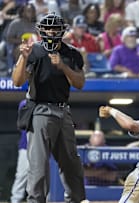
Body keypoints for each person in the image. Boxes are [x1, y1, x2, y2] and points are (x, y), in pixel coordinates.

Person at [11, 13, 86, 202]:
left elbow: (79, 83)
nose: (51, 31)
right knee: (39, 166)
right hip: (40, 110)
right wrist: (23, 57)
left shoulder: (71, 53)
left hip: (63, 111)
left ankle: (76, 199)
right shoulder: (33, 51)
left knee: (71, 163)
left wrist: (63, 67)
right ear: (41, 30)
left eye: (55, 28)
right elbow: (17, 81)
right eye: (48, 28)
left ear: (62, 31)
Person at [10, 100, 29, 203]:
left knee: (40, 177)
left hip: (41, 147)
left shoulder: (46, 104)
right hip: (26, 147)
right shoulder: (24, 103)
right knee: (21, 176)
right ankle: (15, 200)